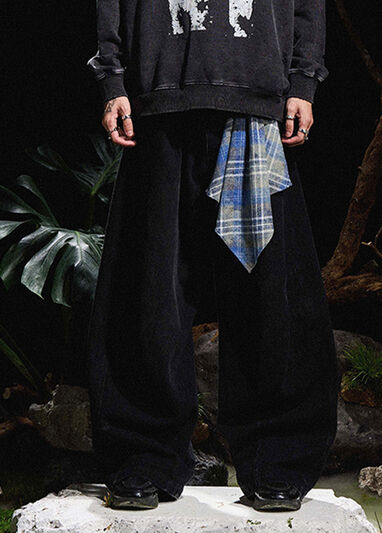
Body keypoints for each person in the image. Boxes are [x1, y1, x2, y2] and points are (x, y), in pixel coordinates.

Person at [85, 0, 339, 513]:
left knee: (270, 297)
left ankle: (278, 460)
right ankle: (144, 456)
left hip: (255, 102)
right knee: (150, 293)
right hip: (160, 103)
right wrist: (112, 79)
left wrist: (303, 79)